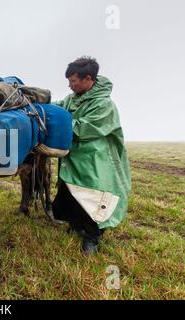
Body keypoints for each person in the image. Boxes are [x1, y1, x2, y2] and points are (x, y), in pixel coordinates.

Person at [52, 56, 131, 255]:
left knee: (92, 196)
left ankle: (92, 236)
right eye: (69, 81)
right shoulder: (73, 98)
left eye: (73, 81)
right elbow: (59, 107)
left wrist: (57, 123)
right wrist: (42, 106)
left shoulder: (105, 105)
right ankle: (76, 224)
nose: (69, 86)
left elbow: (84, 129)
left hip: (94, 161)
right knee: (71, 193)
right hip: (74, 158)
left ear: (88, 79)